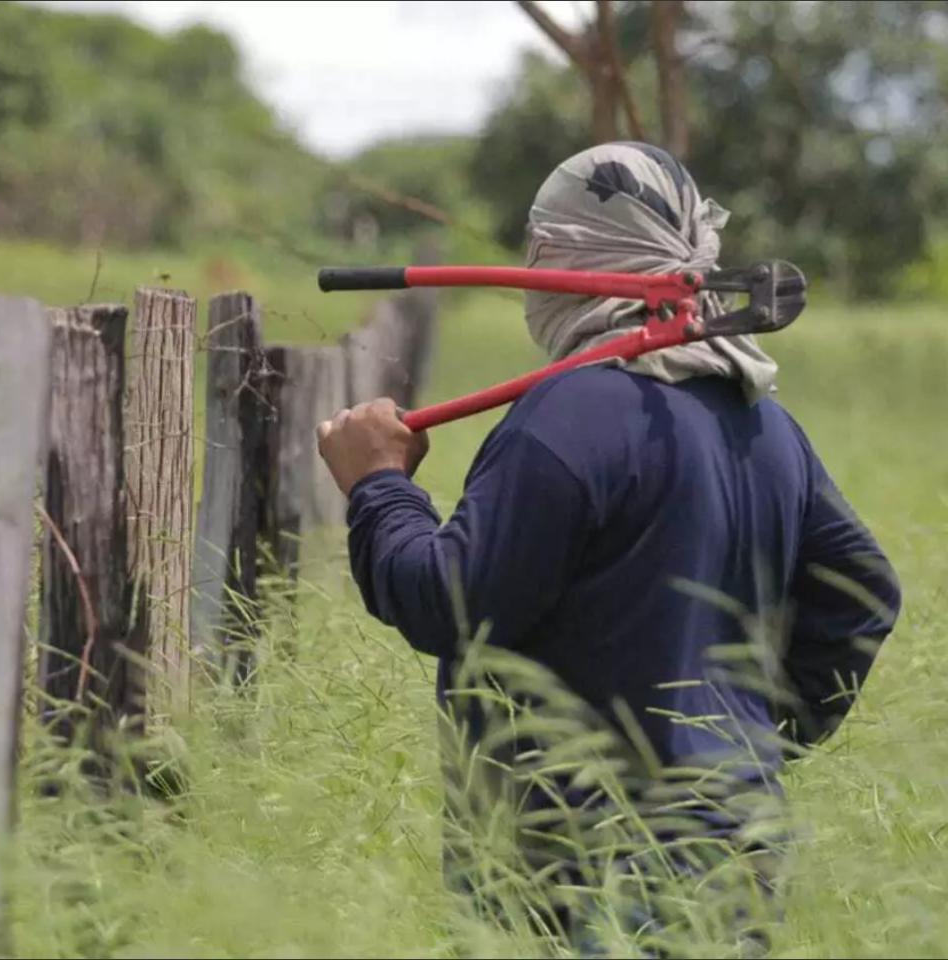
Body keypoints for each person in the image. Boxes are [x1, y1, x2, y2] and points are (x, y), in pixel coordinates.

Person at [315, 142, 901, 956]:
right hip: (736, 856)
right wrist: (744, 744)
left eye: (539, 245)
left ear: (562, 257)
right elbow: (864, 597)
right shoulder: (766, 424)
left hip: (578, 867)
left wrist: (377, 484)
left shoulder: (569, 416)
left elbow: (446, 603)